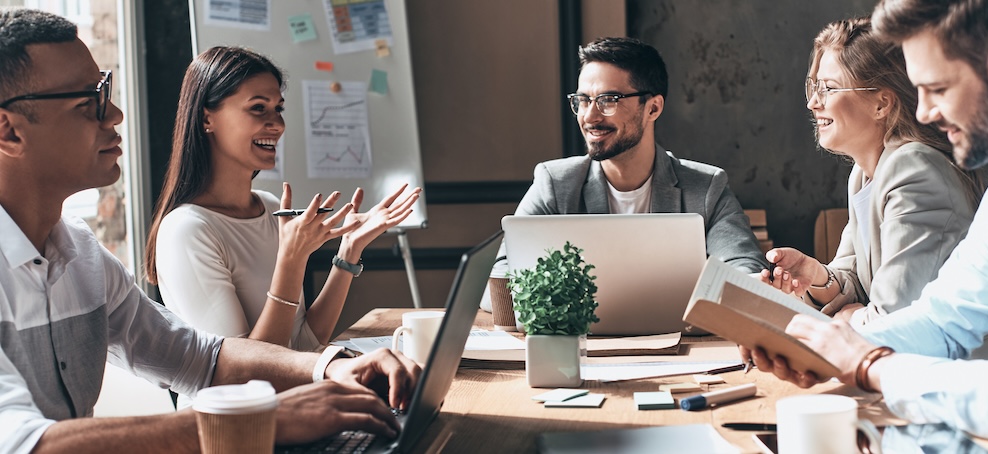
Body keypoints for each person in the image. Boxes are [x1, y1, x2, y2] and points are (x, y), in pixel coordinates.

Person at [0, 8, 419, 451]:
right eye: (89, 103)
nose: (117, 114)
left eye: (105, 92)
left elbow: (201, 357)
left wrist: (330, 366)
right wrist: (262, 419)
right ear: (8, 131)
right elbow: (23, 443)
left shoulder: (81, 254)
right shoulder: (184, 228)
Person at [748, 0, 988, 439]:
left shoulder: (913, 167)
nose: (923, 112)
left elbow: (904, 314)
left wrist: (861, 355)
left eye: (938, 88)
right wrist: (826, 345)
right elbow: (943, 318)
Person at [144, 46, 420, 357]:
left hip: (293, 399)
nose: (277, 124)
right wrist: (290, 260)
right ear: (208, 118)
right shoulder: (186, 231)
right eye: (258, 108)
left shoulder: (270, 206)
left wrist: (350, 250)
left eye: (279, 109)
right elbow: (243, 373)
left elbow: (302, 345)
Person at [483, 37, 767, 310]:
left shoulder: (706, 188)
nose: (590, 116)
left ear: (653, 108)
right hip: (584, 350)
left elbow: (745, 268)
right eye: (583, 100)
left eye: (608, 100)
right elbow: (499, 280)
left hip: (682, 348)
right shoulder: (555, 184)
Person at [760, 17, 981, 327]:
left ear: (881, 104)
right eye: (814, 87)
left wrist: (850, 316)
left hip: (950, 369)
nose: (813, 103)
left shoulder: (914, 170)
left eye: (829, 89)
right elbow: (854, 280)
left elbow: (894, 318)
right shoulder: (865, 175)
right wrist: (816, 276)